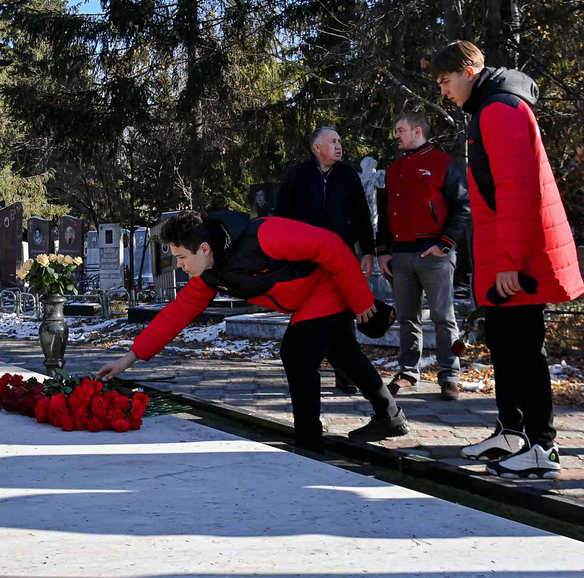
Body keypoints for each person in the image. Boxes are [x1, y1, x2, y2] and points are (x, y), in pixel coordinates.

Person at [97, 210, 409, 451]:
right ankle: (389, 415)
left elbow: (329, 245)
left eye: (181, 257)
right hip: (305, 299)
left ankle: (308, 444)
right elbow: (175, 315)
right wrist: (128, 360)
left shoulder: (264, 234)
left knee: (297, 352)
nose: (179, 265)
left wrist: (361, 300)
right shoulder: (210, 272)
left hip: (324, 285)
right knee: (343, 353)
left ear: (203, 248)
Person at [430, 41, 583, 479]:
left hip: (517, 260)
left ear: (471, 71)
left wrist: (511, 263)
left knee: (522, 350)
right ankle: (512, 432)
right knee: (502, 341)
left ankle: (542, 447)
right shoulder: (489, 109)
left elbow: (518, 192)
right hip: (504, 255)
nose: (443, 90)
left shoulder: (499, 109)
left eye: (446, 81)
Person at [376, 111, 471, 400]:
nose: (396, 135)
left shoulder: (443, 164)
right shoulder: (393, 170)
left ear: (417, 131)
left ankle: (450, 374)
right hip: (401, 256)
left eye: (400, 130)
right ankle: (408, 371)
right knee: (407, 317)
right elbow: (385, 214)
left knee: (444, 317)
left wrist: (445, 243)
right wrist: (382, 252)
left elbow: (463, 205)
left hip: (436, 254)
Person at [275, 127, 375, 394]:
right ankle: (307, 374)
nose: (339, 145)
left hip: (341, 260)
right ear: (317, 147)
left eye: (340, 140)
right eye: (333, 141)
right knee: (307, 317)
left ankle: (347, 377)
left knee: (344, 318)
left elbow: (362, 215)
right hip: (305, 261)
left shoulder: (348, 176)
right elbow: (281, 218)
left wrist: (368, 250)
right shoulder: (297, 176)